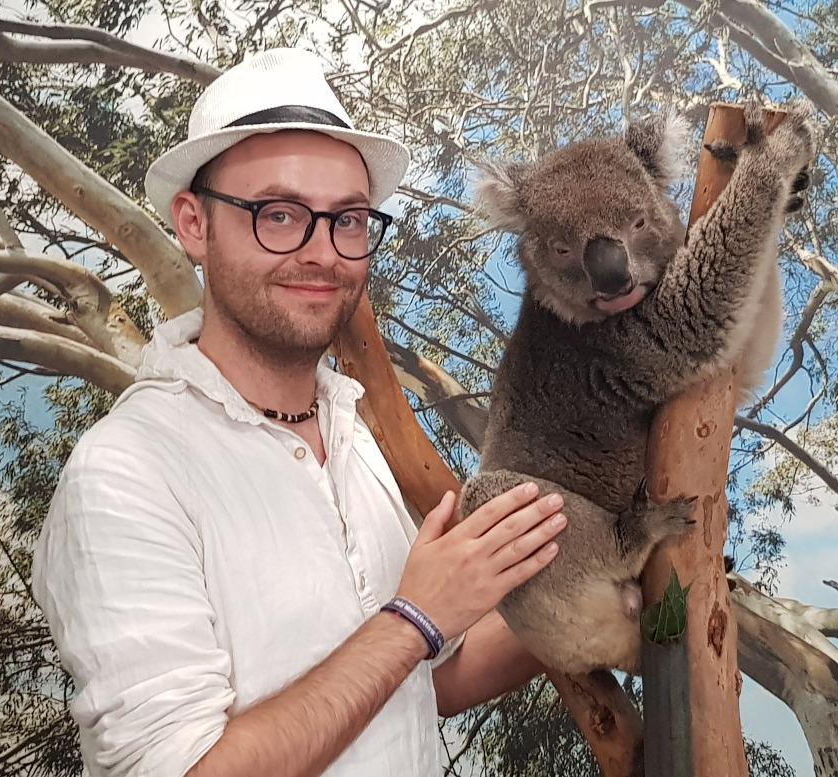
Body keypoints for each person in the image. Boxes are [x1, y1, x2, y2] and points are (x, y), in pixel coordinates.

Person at [32, 48, 567, 777]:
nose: (322, 253)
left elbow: (422, 682)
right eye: (278, 214)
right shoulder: (126, 473)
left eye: (347, 219)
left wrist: (612, 597)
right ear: (194, 222)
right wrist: (412, 619)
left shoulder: (355, 433)